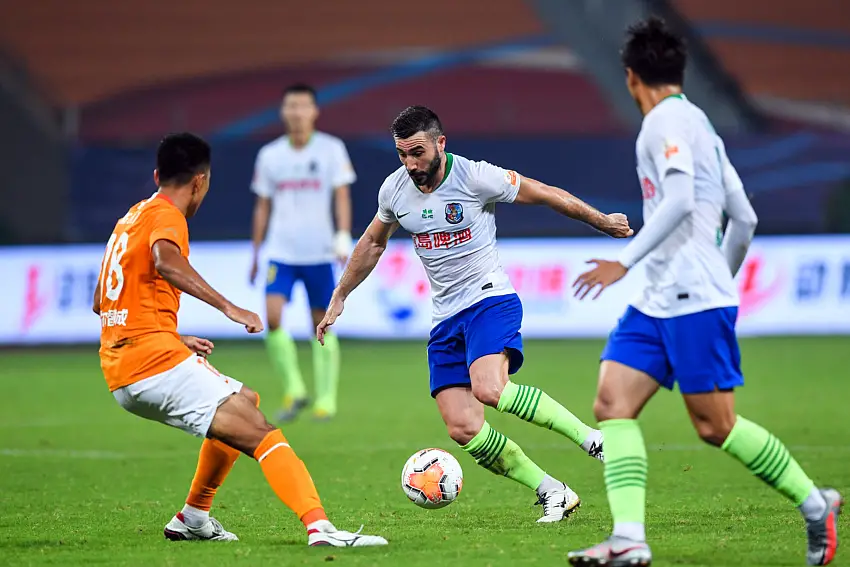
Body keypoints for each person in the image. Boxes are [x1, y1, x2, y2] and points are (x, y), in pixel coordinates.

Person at [567, 17, 842, 567]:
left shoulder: (663, 123)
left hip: (687, 298)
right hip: (661, 299)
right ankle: (629, 538)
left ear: (631, 77)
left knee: (716, 426)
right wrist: (720, 279)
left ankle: (816, 505)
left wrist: (626, 262)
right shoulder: (701, 126)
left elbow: (678, 200)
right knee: (612, 403)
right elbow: (745, 218)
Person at [316, 106, 633, 523]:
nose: (410, 164)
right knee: (463, 427)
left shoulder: (475, 176)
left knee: (490, 388)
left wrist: (601, 221)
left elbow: (544, 193)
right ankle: (552, 490)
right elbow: (373, 242)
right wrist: (340, 294)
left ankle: (593, 440)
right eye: (402, 154)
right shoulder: (394, 190)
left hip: (489, 300)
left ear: (440, 144)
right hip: (445, 318)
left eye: (417, 153)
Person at [94, 132, 386, 547]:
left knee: (245, 399)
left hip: (123, 363)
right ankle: (321, 528)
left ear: (158, 175)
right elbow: (166, 261)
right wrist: (228, 307)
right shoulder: (167, 216)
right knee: (262, 432)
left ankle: (193, 517)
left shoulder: (130, 218)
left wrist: (170, 334)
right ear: (200, 181)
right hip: (150, 364)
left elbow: (101, 301)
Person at [249, 83, 356, 422]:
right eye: (291, 106)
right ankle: (294, 389)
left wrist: (343, 237)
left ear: (314, 111)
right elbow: (262, 205)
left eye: (303, 105)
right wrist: (255, 252)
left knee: (320, 325)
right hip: (281, 251)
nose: (297, 112)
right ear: (283, 112)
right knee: (272, 317)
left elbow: (342, 196)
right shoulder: (270, 155)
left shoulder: (331, 149)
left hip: (318, 252)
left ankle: (326, 399)